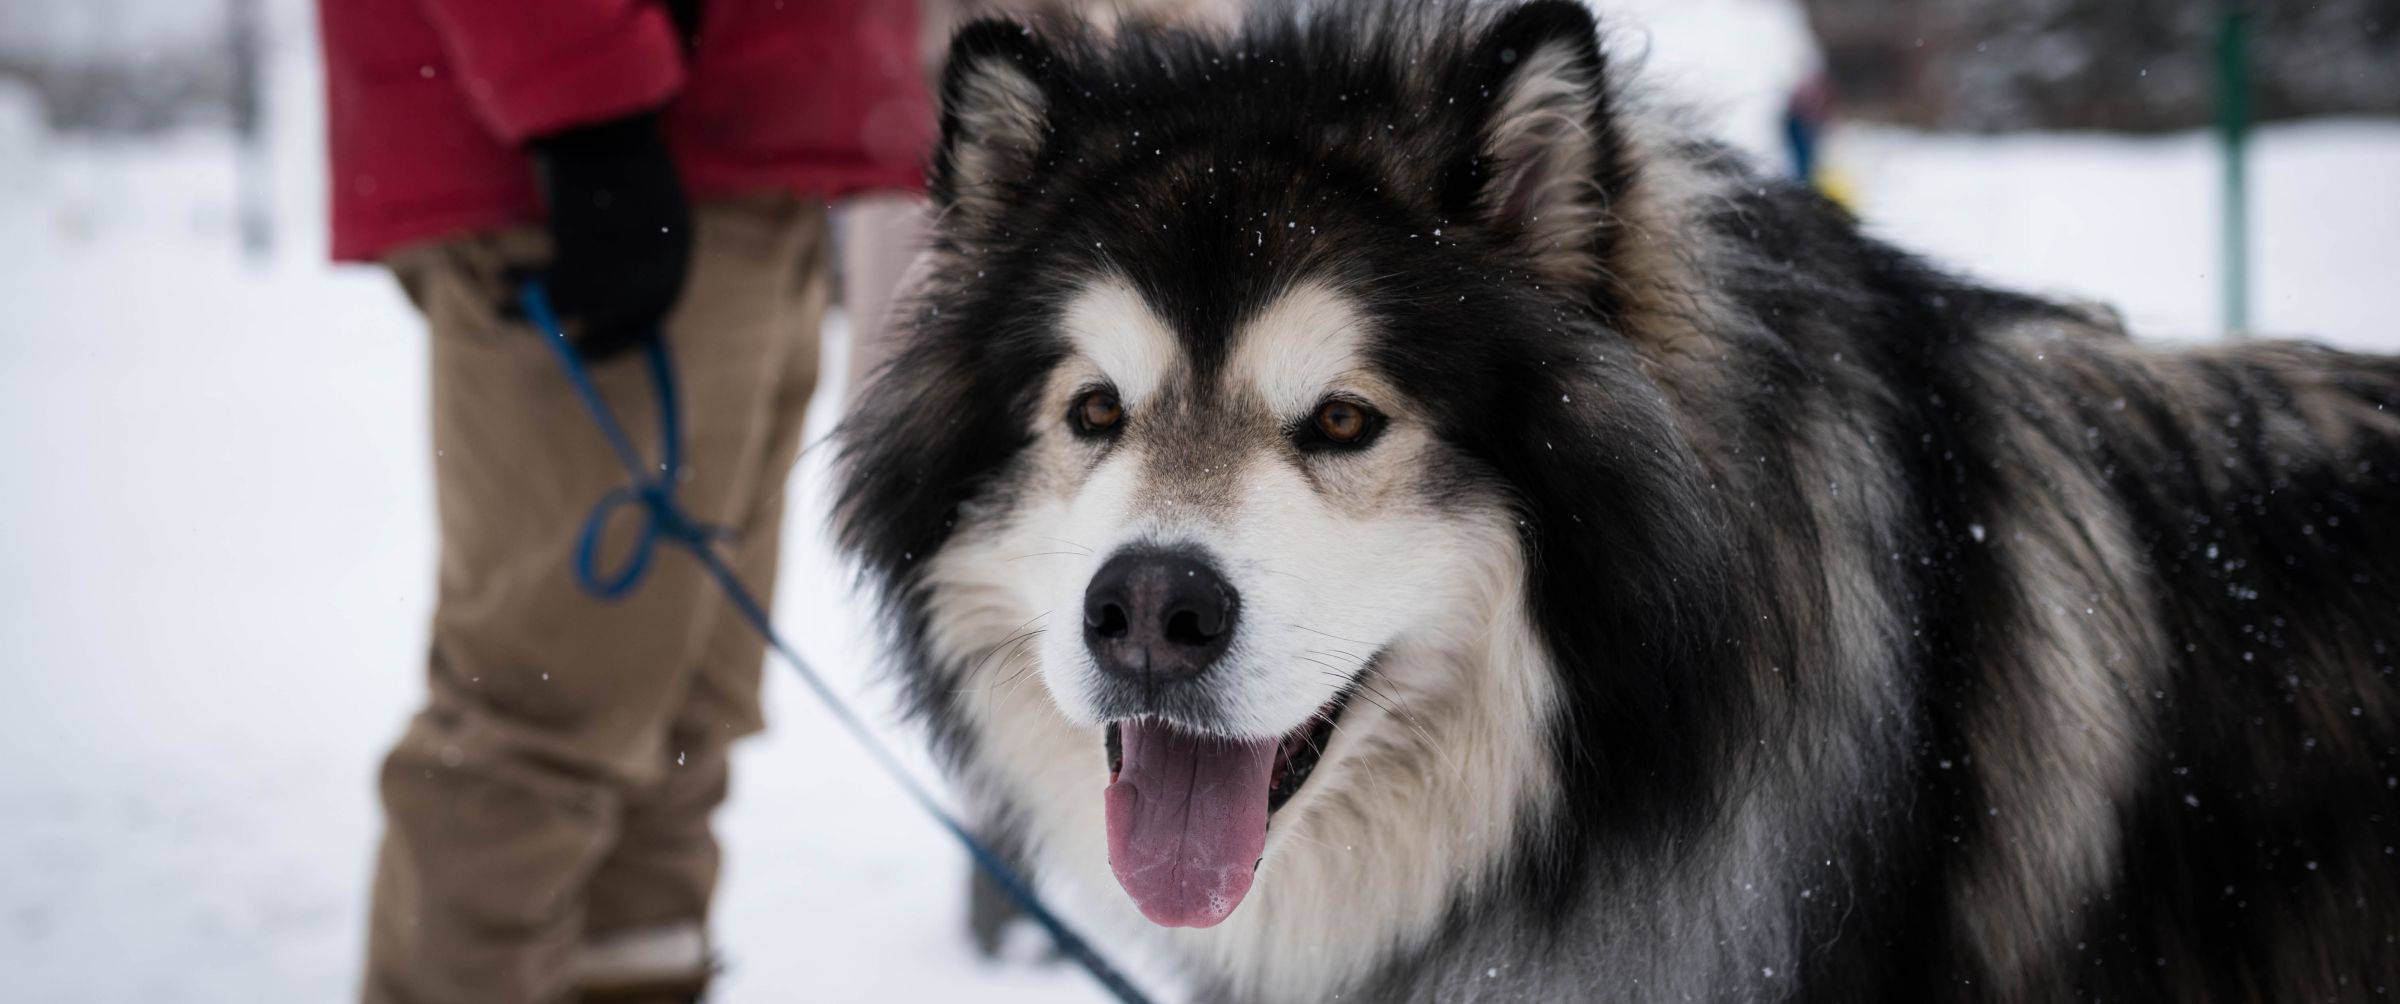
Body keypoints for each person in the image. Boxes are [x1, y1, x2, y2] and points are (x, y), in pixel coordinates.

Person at [316, 2, 932, 1001]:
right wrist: (582, 104)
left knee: (682, 729)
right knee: (541, 730)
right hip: (607, 159)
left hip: (750, 153)